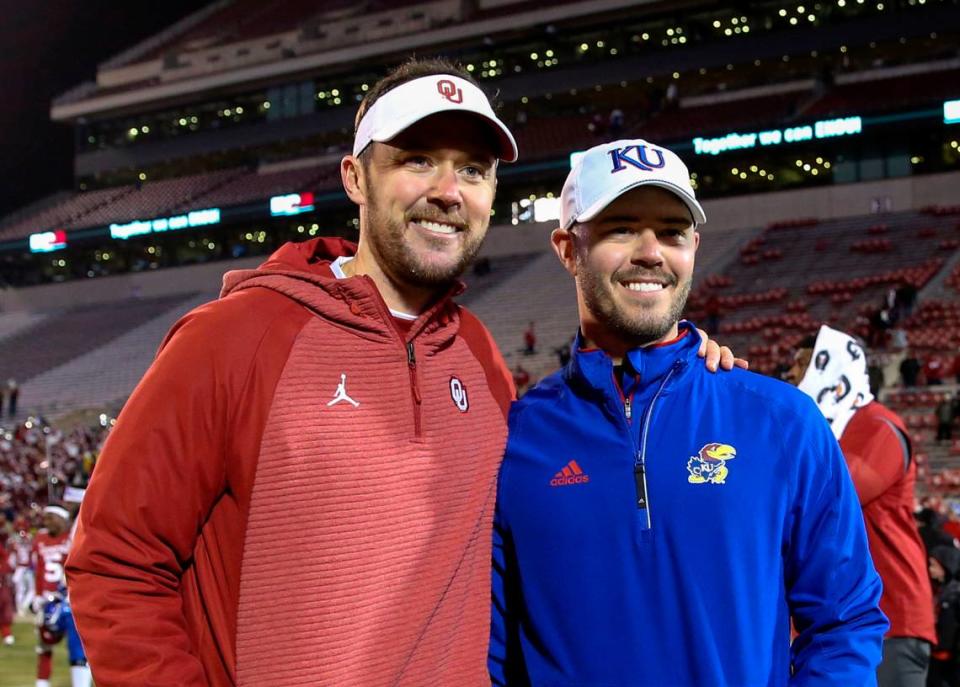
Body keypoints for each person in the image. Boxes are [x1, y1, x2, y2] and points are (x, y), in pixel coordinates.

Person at [67, 61, 735, 686]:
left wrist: (678, 364)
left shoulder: (476, 352)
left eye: (472, 169)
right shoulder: (235, 337)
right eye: (418, 160)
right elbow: (114, 560)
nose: (447, 191)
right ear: (356, 177)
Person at [490, 138, 887, 686]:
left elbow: (845, 622)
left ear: (694, 246)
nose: (651, 252)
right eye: (622, 228)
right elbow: (492, 648)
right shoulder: (515, 439)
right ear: (567, 248)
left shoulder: (782, 421)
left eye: (672, 232)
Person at [788, 326, 936, 687]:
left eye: (802, 364)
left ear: (832, 368)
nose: (791, 375)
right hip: (835, 616)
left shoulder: (879, 427)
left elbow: (832, 498)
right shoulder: (827, 432)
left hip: (890, 615)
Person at [32, 505, 91, 687]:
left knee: (78, 644)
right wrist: (37, 595)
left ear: (63, 519)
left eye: (51, 518)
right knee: (44, 643)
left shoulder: (72, 537)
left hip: (69, 597)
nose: (47, 522)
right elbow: (39, 569)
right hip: (48, 599)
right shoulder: (41, 538)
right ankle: (42, 683)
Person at [928, 545, 960, 687]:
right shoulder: (938, 591)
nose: (930, 570)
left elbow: (949, 629)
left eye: (934, 566)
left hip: (945, 660)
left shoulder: (953, 595)